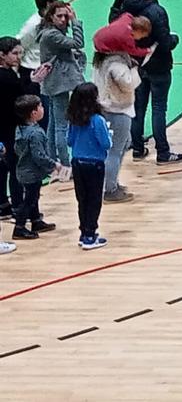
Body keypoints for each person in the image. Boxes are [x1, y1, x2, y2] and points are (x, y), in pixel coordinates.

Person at [123, 0, 182, 164]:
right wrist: (174, 39)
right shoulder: (157, 11)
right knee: (158, 108)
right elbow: (164, 42)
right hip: (158, 65)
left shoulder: (128, 5)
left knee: (138, 108)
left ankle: (137, 148)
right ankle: (163, 152)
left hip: (136, 63)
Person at [91, 17, 149, 203]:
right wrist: (135, 70)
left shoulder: (102, 59)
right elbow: (128, 85)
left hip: (109, 106)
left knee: (121, 146)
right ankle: (110, 189)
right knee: (115, 150)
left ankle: (111, 181)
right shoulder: (116, 64)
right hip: (117, 109)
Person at [36, 0, 86, 174]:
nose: (64, 19)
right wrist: (75, 21)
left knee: (53, 125)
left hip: (54, 82)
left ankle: (53, 163)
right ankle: (65, 166)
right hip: (59, 84)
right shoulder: (52, 35)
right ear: (50, 17)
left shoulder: (48, 31)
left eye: (66, 15)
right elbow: (78, 43)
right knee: (61, 126)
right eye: (60, 16)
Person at [66, 83, 111, 250]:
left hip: (77, 163)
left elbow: (69, 141)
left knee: (82, 199)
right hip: (94, 165)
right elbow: (106, 144)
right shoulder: (97, 120)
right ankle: (90, 235)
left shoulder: (74, 119)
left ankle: (84, 232)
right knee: (94, 200)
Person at [0, 36, 35, 224]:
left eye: (20, 53)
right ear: (1, 55)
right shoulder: (7, 77)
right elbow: (22, 99)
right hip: (9, 129)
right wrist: (33, 81)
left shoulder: (9, 74)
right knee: (16, 169)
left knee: (3, 168)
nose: (18, 57)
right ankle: (18, 207)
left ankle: (4, 204)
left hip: (4, 128)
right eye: (14, 53)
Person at [12, 95, 55, 240]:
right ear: (34, 113)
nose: (43, 108)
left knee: (33, 196)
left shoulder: (20, 129)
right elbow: (39, 156)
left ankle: (36, 221)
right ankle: (19, 227)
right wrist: (54, 166)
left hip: (23, 170)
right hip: (32, 173)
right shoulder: (36, 133)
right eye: (41, 106)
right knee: (30, 200)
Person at [17, 0, 58, 84]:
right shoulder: (32, 25)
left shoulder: (53, 19)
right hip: (33, 69)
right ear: (49, 4)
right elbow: (20, 44)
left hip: (48, 67)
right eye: (56, 1)